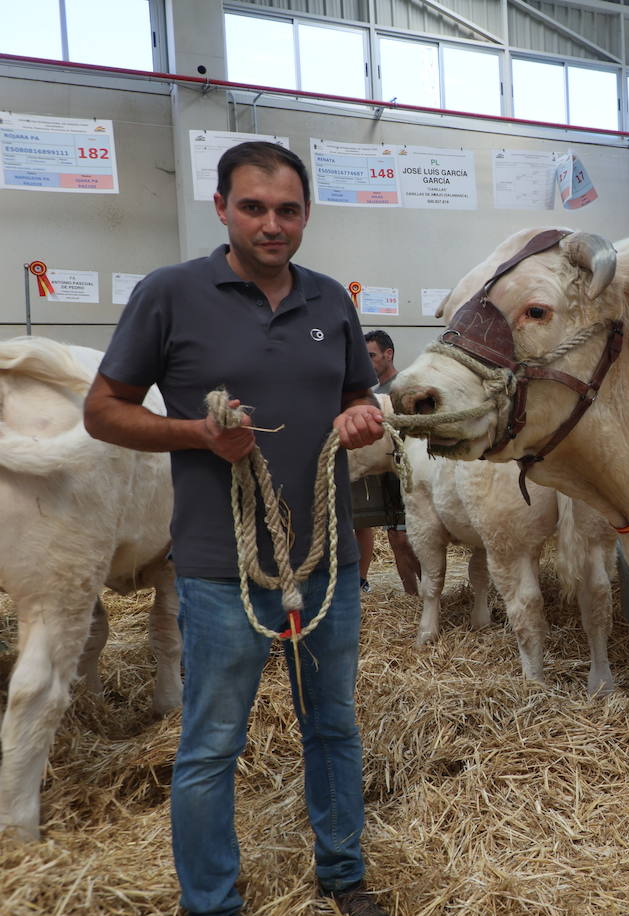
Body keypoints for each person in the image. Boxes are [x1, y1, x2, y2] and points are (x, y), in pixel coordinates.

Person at [83, 142, 389, 916]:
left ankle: (344, 876)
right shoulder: (172, 293)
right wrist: (198, 435)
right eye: (253, 206)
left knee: (334, 727)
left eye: (288, 209)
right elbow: (104, 411)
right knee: (213, 745)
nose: (271, 224)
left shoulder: (330, 302)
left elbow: (357, 393)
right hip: (222, 569)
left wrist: (359, 417)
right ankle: (211, 901)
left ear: (306, 215)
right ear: (220, 207)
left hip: (326, 561)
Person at [352, 330, 421, 596]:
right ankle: (411, 596)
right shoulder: (372, 393)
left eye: (371, 355)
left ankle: (429, 593)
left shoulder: (404, 388)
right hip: (384, 473)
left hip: (407, 471)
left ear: (388, 354)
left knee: (409, 538)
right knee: (395, 538)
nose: (367, 361)